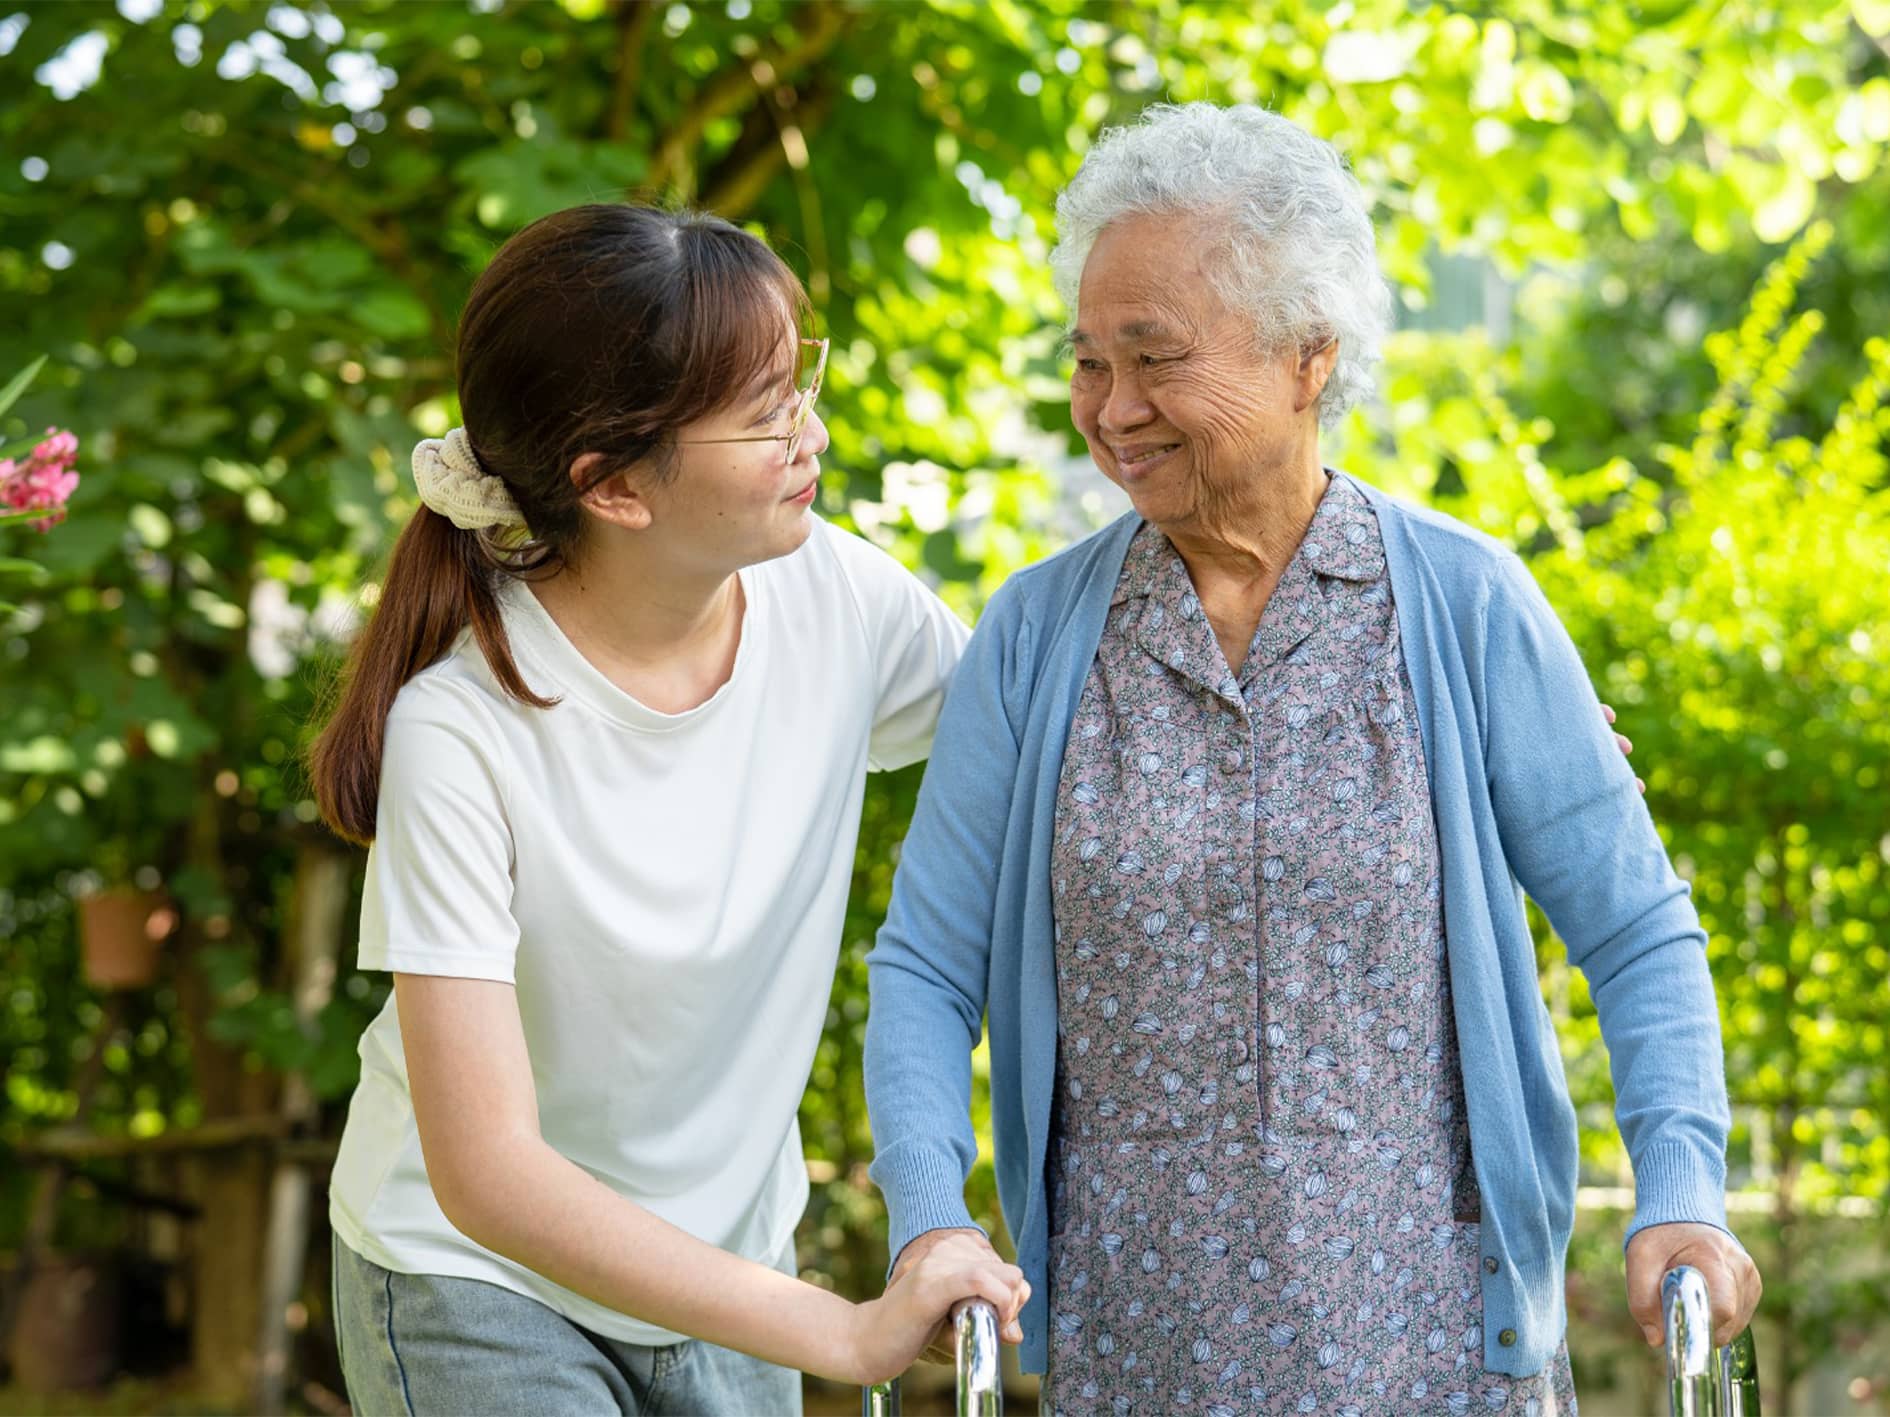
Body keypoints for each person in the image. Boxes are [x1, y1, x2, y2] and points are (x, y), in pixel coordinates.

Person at [863, 103, 1761, 1414]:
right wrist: (929, 1215)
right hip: (1139, 1357)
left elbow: (1633, 927)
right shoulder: (1037, 635)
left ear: (1308, 357)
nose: (1112, 410)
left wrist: (1680, 1190)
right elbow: (928, 965)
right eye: (1088, 361)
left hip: (1440, 1353)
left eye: (1155, 357)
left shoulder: (1463, 605)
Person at [308, 203, 1029, 1416]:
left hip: (725, 1270)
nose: (812, 432)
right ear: (614, 486)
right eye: (764, 416)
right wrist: (837, 1331)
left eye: (799, 382)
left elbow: (1040, 752)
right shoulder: (463, 732)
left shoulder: (837, 598)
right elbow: (488, 1176)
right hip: (479, 1281)